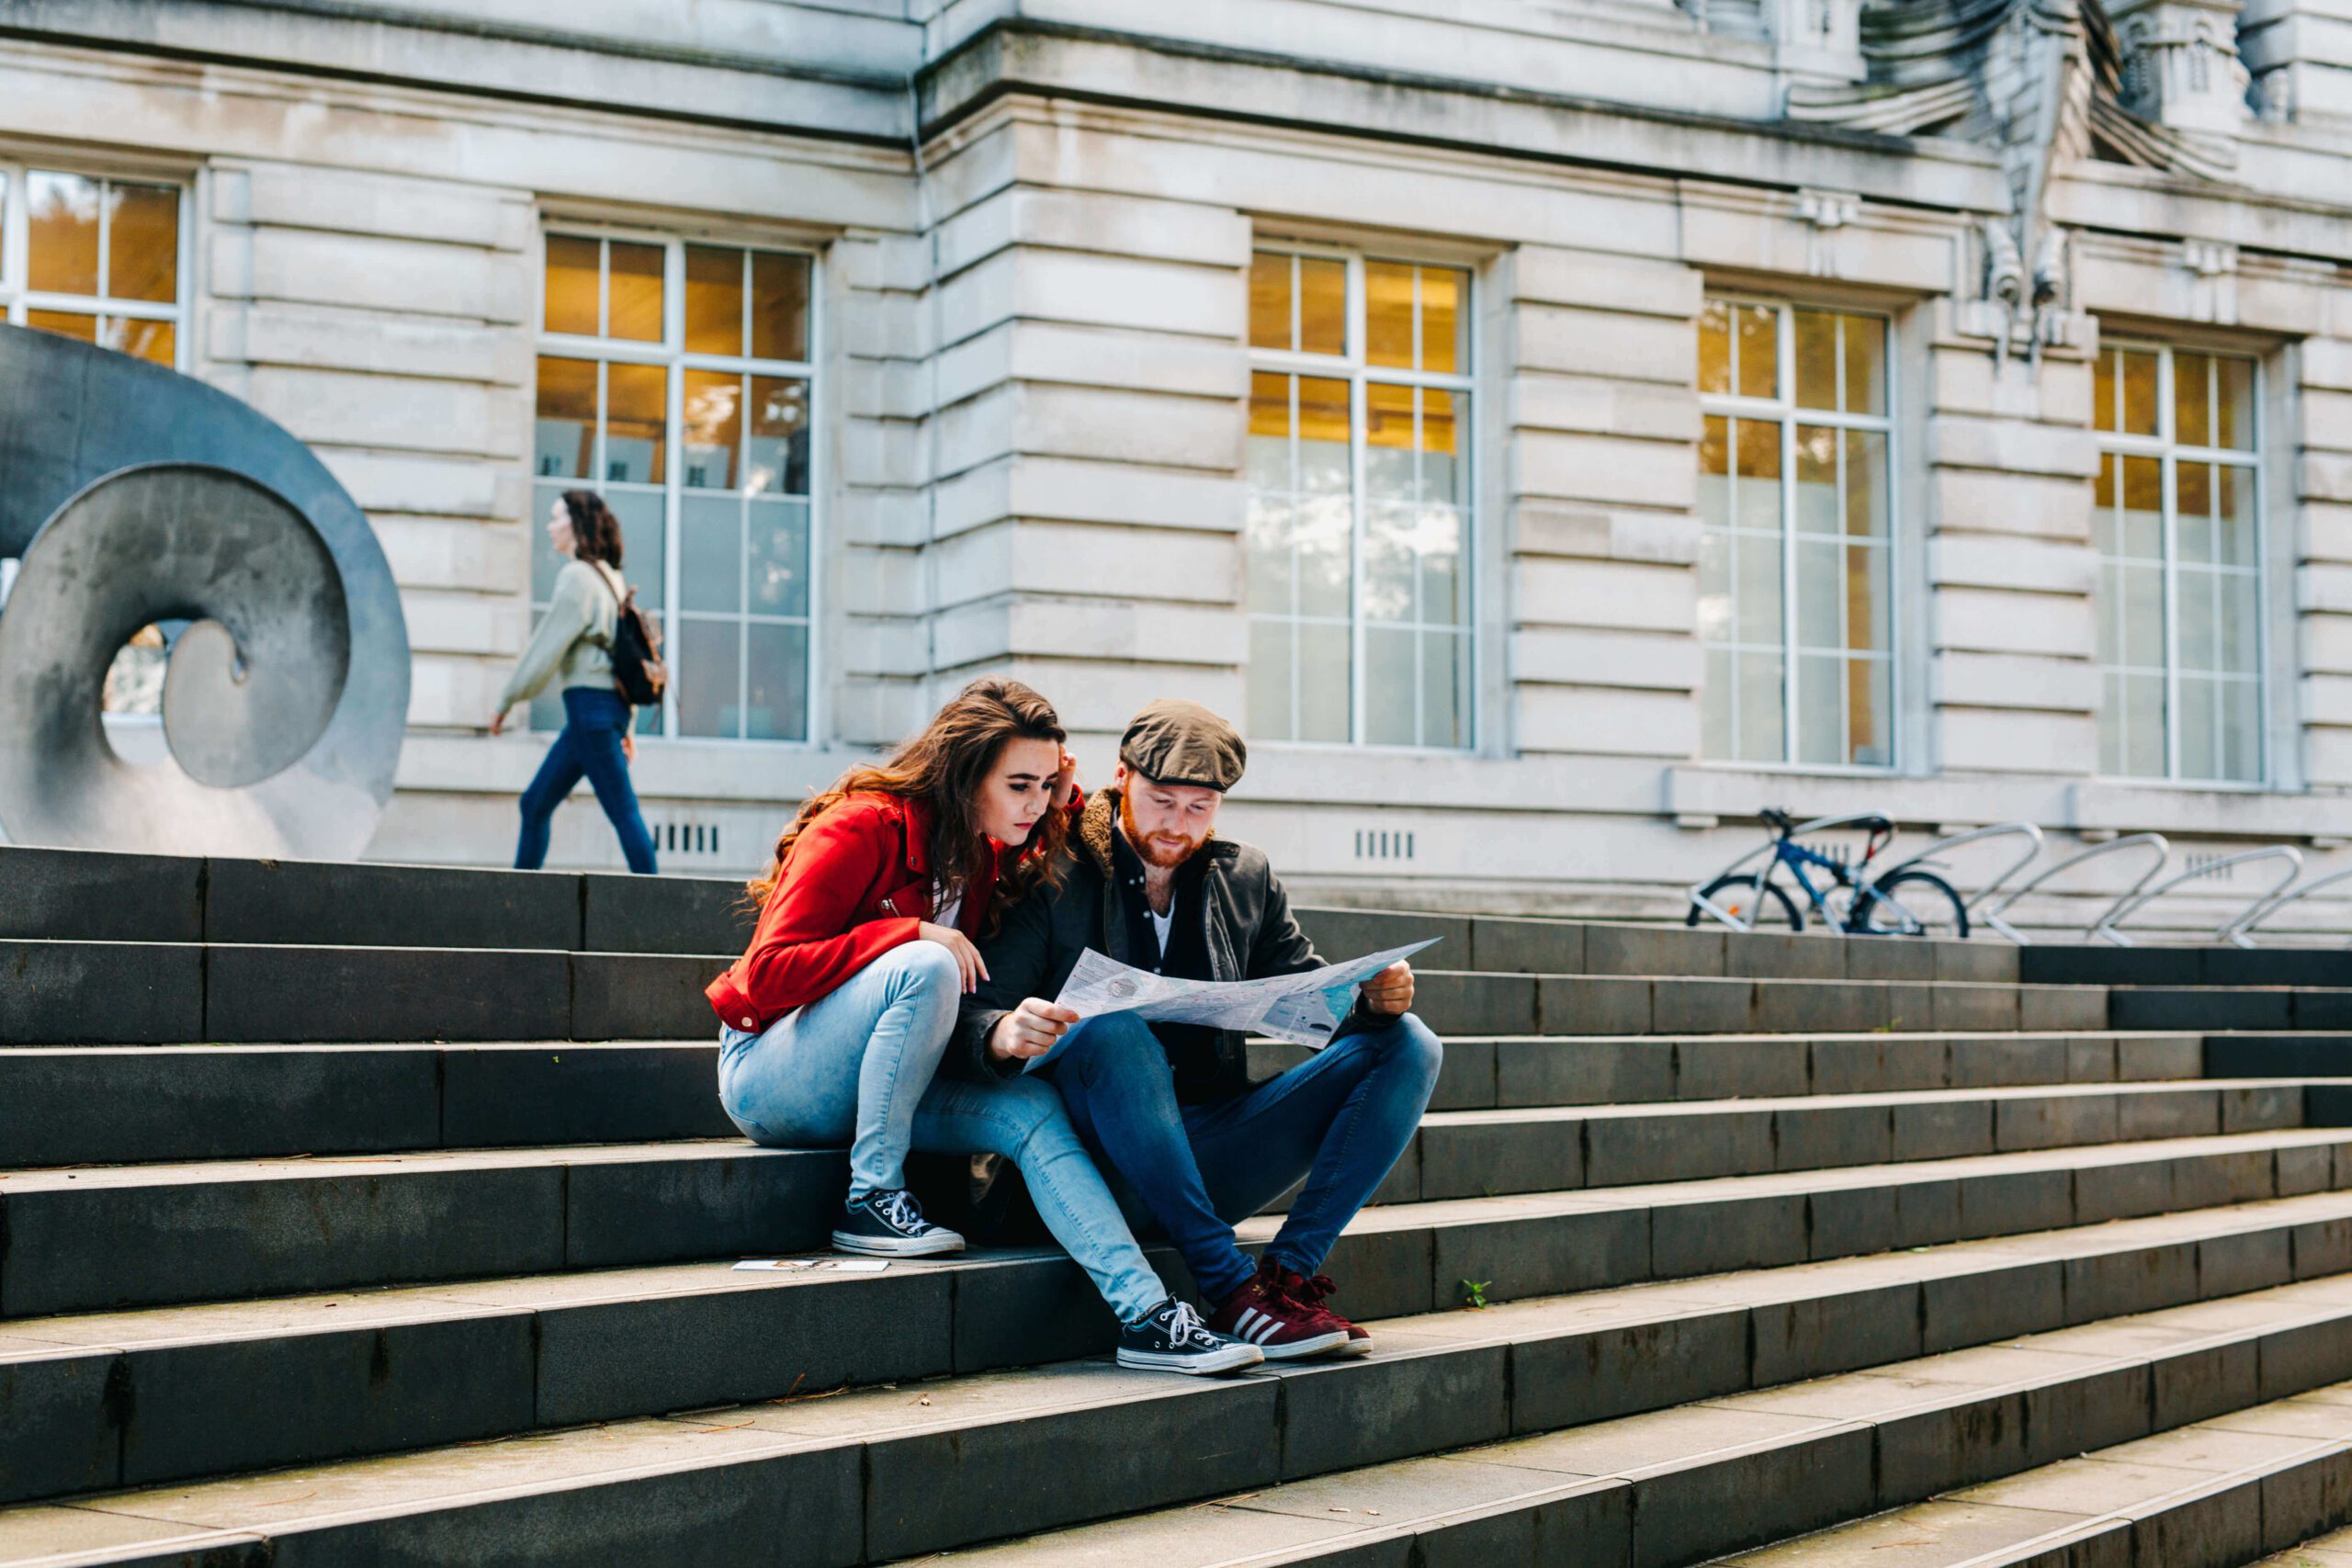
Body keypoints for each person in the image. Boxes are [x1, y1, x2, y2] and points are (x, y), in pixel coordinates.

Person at [705, 678, 1261, 1376]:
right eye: (1020, 784)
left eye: (1047, 784)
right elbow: (766, 977)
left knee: (1032, 1108)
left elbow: (1081, 817)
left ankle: (1148, 1316)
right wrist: (910, 932)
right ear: (969, 776)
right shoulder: (861, 824)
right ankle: (871, 1196)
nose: (1037, 803)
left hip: (896, 1078)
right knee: (928, 966)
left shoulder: (988, 844)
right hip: (775, 1073)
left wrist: (1066, 794)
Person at [957, 699, 1442, 1360]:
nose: (1177, 825)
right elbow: (971, 1014)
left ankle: (1285, 1282)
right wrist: (1006, 1030)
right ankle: (1230, 1286)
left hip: (1209, 1149)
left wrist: (1373, 1002)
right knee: (1112, 1029)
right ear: (1122, 776)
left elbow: (1309, 998)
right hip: (1091, 1168)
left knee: (1410, 1043)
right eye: (1160, 800)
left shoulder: (1244, 877)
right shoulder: (1053, 869)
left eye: (1199, 807)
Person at [490, 490, 658, 875]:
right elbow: (623, 657)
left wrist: (505, 701)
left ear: (576, 523)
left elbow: (544, 648)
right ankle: (520, 899)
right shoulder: (611, 578)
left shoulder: (578, 578)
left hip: (591, 714)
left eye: (555, 518)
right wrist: (628, 725)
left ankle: (659, 912)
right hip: (598, 715)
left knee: (623, 812)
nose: (550, 527)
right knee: (534, 804)